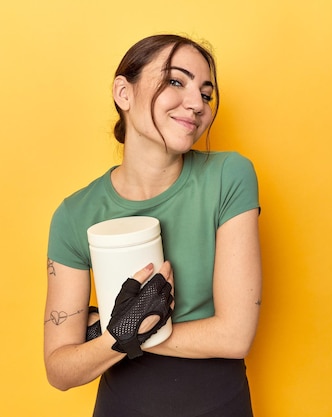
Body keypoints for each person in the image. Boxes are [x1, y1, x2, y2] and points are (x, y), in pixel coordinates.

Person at [44, 34, 262, 417]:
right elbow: (60, 369)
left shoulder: (229, 176)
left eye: (206, 94)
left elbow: (234, 335)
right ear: (123, 93)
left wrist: (110, 333)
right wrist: (119, 333)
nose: (196, 104)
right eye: (176, 81)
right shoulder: (75, 214)